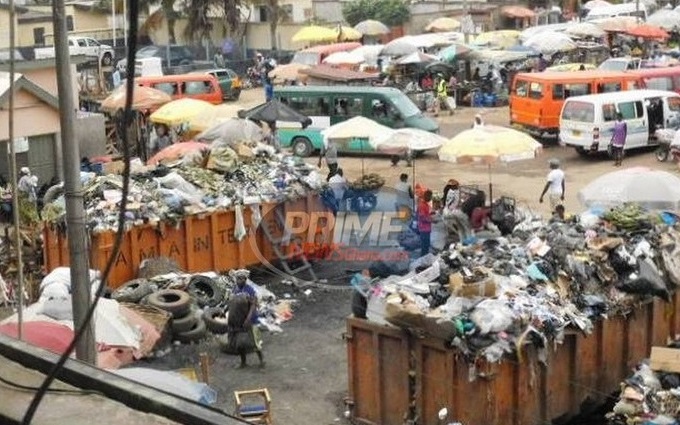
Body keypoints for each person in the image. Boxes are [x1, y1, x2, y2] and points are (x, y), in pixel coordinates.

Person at [230, 269, 265, 368]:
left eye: (242, 279)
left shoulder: (250, 290)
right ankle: (243, 362)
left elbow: (254, 305)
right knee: (240, 343)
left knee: (255, 342)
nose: (240, 280)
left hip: (251, 320)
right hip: (239, 321)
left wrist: (248, 319)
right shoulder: (235, 289)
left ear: (245, 279)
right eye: (238, 278)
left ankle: (262, 361)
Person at [417, 190, 433, 257]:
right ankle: (423, 260)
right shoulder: (422, 205)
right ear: (427, 196)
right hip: (424, 229)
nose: (431, 198)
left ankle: (424, 259)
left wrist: (430, 214)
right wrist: (431, 220)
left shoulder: (425, 205)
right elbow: (422, 217)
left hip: (426, 228)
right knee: (425, 247)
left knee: (426, 246)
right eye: (430, 196)